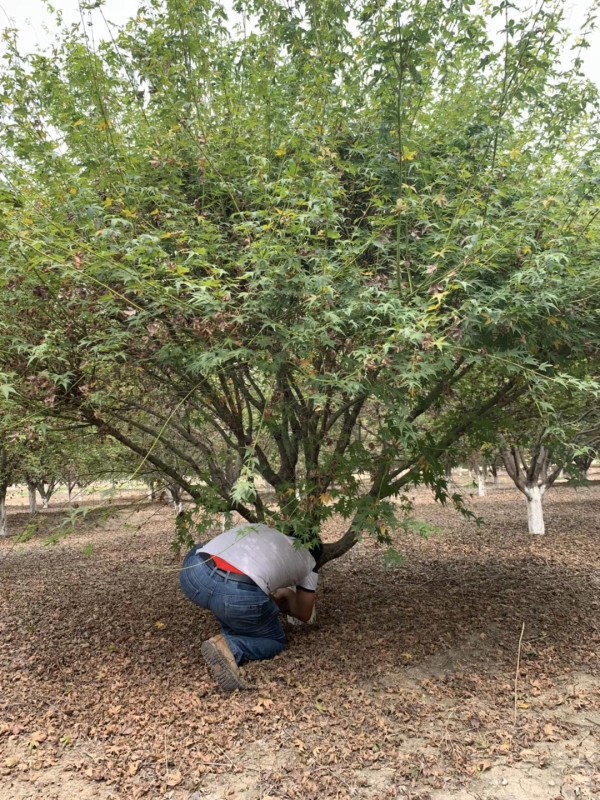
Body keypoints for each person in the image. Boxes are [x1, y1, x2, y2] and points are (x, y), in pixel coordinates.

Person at [179, 522, 321, 692]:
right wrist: (289, 595)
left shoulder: (261, 528)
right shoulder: (310, 561)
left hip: (194, 574)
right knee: (275, 642)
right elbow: (304, 614)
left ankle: (233, 626)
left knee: (229, 594)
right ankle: (231, 647)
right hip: (235, 594)